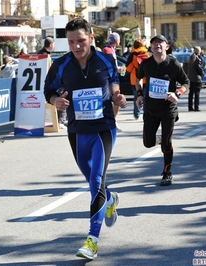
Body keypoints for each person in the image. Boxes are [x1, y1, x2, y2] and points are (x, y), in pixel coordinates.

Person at [43, 18, 127, 260]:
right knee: (92, 178)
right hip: (77, 131)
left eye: (81, 40)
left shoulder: (105, 59)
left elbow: (114, 87)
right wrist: (55, 101)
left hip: (103, 128)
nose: (76, 46)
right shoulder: (61, 65)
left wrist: (118, 98)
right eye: (71, 42)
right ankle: (110, 199)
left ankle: (92, 240)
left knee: (96, 181)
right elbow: (48, 90)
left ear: (91, 38)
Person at [135, 34, 190, 186]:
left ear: (166, 46)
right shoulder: (146, 64)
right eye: (154, 43)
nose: (157, 45)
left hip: (168, 110)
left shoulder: (173, 63)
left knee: (167, 142)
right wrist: (139, 94)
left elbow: (186, 82)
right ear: (151, 48)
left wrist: (177, 93)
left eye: (160, 42)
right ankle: (161, 140)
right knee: (147, 142)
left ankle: (167, 172)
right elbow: (137, 78)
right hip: (151, 110)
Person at [103, 32, 125, 132]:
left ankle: (113, 120)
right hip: (110, 79)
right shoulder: (107, 50)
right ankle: (112, 121)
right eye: (119, 39)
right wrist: (118, 69)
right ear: (117, 41)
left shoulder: (112, 50)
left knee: (116, 100)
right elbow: (107, 65)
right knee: (116, 99)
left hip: (113, 77)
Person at [125, 38, 149, 119]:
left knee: (137, 97)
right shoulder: (146, 53)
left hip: (135, 79)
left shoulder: (132, 55)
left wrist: (135, 70)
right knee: (145, 97)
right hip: (146, 79)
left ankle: (137, 114)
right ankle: (146, 114)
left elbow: (128, 68)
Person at [187, 46, 205, 111]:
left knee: (191, 93)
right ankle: (196, 107)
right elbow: (199, 68)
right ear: (199, 51)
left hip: (190, 78)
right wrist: (202, 73)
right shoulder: (197, 59)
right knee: (197, 94)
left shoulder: (190, 58)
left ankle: (190, 107)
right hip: (197, 78)